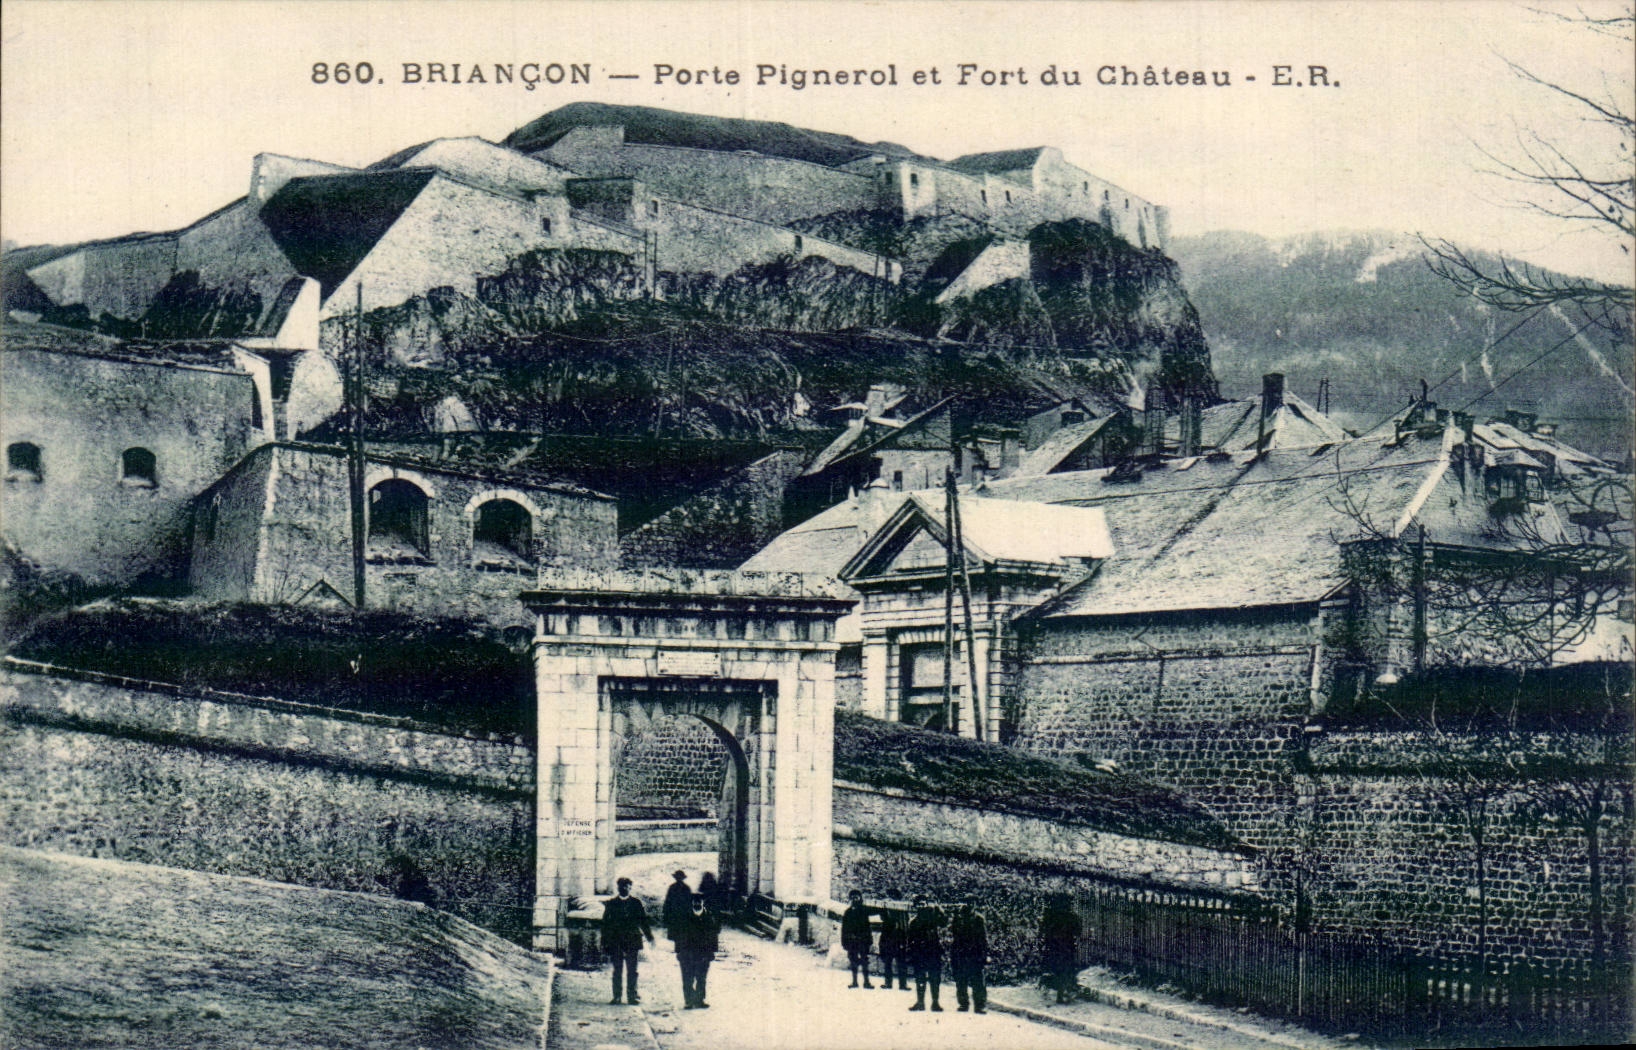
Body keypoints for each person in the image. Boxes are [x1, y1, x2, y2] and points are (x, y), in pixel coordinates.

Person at [601, 876, 656, 1005]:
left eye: (627, 886)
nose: (625, 888)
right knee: (617, 969)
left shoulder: (636, 903)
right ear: (618, 888)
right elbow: (605, 925)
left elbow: (643, 922)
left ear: (630, 888)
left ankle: (632, 996)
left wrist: (650, 937)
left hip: (632, 941)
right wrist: (604, 943)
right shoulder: (611, 904)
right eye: (622, 886)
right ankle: (617, 996)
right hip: (616, 942)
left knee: (632, 970)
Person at [673, 892, 721, 1009]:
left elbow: (713, 936)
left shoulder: (709, 917)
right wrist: (678, 951)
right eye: (695, 900)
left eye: (699, 900)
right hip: (687, 954)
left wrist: (712, 952)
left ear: (703, 902)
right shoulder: (684, 917)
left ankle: (699, 1000)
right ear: (692, 902)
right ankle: (689, 1001)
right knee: (687, 978)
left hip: (703, 954)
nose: (697, 903)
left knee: (701, 978)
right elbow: (678, 935)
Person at [948, 896, 988, 1014]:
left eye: (972, 903)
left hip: (975, 954)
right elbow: (954, 934)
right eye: (967, 903)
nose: (970, 905)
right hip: (961, 953)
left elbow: (983, 938)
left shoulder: (979, 919)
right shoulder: (958, 918)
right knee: (961, 980)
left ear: (975, 905)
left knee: (978, 981)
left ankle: (979, 1005)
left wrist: (984, 954)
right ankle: (963, 1004)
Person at [904, 895, 945, 1012]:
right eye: (919, 904)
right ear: (916, 906)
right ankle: (920, 1002)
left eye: (924, 904)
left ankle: (935, 1003)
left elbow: (943, 922)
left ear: (927, 905)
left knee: (935, 978)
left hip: (933, 952)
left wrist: (939, 910)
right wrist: (910, 954)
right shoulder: (914, 922)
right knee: (920, 978)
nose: (922, 906)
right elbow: (910, 939)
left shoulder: (933, 918)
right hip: (919, 954)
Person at [1038, 892, 1080, 1004]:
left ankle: (1055, 991)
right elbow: (1078, 931)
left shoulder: (1050, 915)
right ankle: (1062, 992)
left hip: (1053, 947)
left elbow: (1043, 930)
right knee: (1065, 970)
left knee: (1054, 969)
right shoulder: (1071, 916)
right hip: (1066, 947)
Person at [840, 889, 875, 989]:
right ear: (850, 899)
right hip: (852, 941)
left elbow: (868, 927)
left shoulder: (864, 910)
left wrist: (869, 939)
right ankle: (854, 982)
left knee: (865, 961)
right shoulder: (848, 912)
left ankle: (866, 982)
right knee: (853, 961)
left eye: (857, 897)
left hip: (863, 941)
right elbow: (844, 928)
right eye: (853, 897)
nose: (855, 899)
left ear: (860, 898)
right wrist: (844, 942)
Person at [877, 887, 909, 991]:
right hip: (888, 938)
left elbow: (905, 924)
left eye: (893, 896)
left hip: (900, 938)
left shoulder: (902, 909)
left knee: (901, 963)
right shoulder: (886, 909)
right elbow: (883, 918)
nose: (891, 898)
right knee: (888, 962)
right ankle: (888, 983)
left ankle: (903, 984)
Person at [662, 869, 693, 939]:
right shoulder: (672, 887)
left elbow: (689, 902)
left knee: (683, 934)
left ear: (682, 878)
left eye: (680, 878)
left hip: (683, 914)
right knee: (675, 934)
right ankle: (677, 948)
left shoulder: (686, 888)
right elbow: (668, 901)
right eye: (677, 878)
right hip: (674, 914)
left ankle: (681, 948)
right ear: (675, 878)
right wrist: (666, 913)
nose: (679, 879)